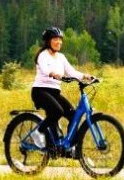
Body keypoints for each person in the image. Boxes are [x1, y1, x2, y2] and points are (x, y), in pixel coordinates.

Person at [31, 27, 92, 155]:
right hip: (40, 92)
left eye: (60, 39)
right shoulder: (43, 55)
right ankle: (37, 133)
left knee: (73, 116)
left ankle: (67, 147)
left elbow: (72, 72)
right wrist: (54, 74)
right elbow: (45, 69)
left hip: (54, 93)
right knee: (57, 111)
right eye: (55, 39)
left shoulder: (61, 57)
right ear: (48, 41)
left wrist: (85, 76)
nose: (58, 42)